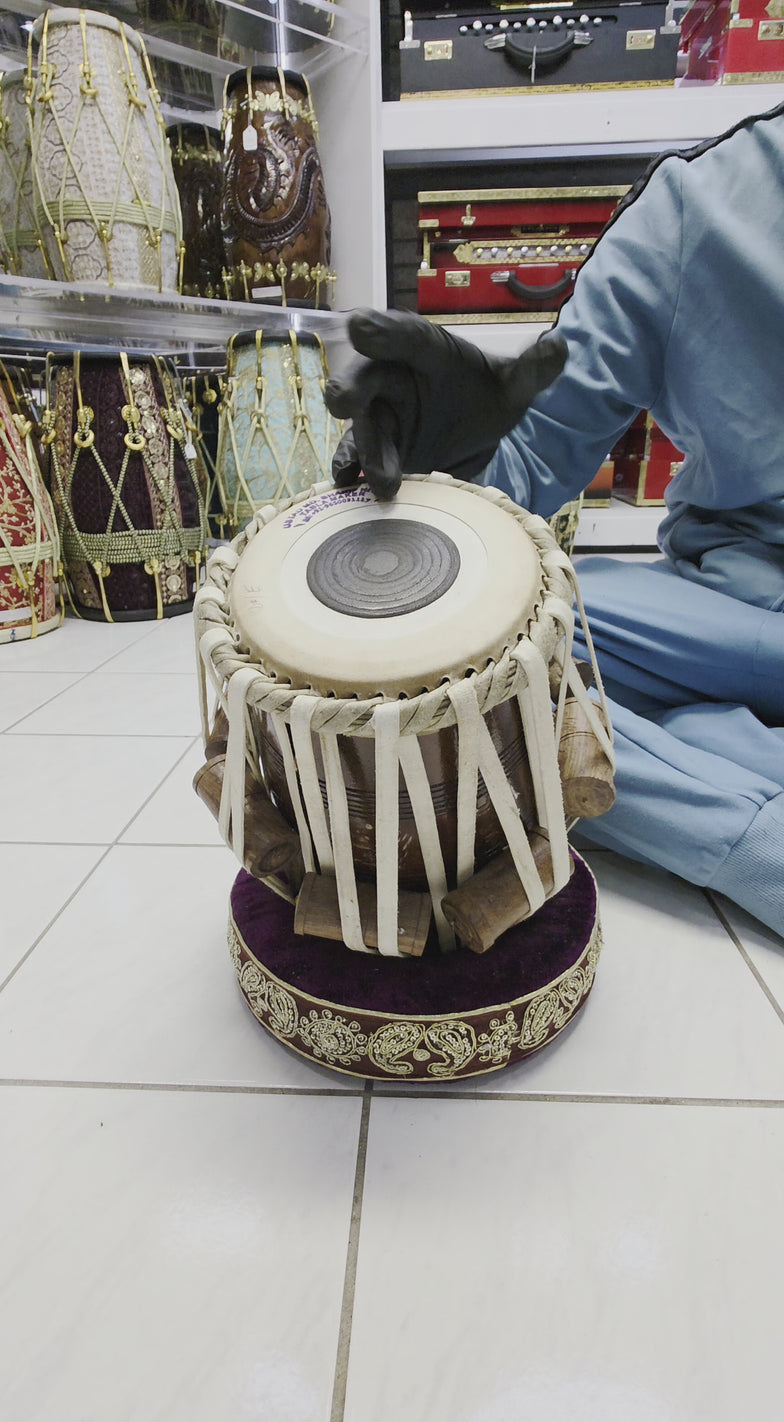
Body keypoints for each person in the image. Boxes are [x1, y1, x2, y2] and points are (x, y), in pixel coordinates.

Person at [324, 100, 784, 938]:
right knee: (453, 657)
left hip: (722, 630)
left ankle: (706, 765)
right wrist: (450, 460)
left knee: (518, 725)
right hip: (728, 606)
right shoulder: (697, 204)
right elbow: (532, 459)